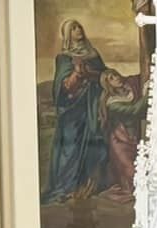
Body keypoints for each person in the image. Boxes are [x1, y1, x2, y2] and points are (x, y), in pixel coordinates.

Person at [45, 20, 110, 203]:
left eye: (79, 26)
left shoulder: (93, 54)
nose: (78, 30)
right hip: (72, 111)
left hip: (92, 105)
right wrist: (76, 75)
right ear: (67, 34)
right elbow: (61, 88)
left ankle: (87, 185)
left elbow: (105, 76)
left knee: (94, 144)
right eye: (73, 28)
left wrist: (92, 75)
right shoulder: (64, 58)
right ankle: (65, 187)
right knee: (70, 147)